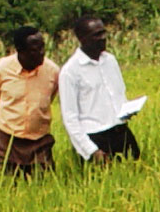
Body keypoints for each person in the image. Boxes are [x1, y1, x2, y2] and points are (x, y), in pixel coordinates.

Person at [58, 16, 142, 164]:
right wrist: (91, 150)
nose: (103, 38)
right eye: (96, 35)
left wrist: (127, 111)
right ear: (82, 38)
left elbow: (118, 95)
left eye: (103, 33)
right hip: (95, 138)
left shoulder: (110, 60)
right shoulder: (70, 71)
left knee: (135, 175)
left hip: (120, 133)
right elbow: (70, 118)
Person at [0, 24, 61, 177]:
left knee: (44, 187)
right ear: (21, 51)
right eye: (34, 50)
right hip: (6, 140)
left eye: (42, 48)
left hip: (39, 141)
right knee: (3, 189)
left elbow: (49, 99)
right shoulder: (0, 70)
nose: (41, 53)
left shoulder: (53, 72)